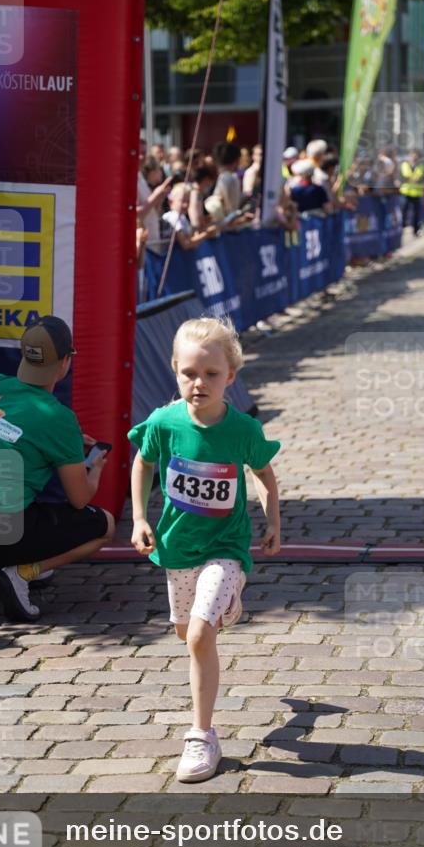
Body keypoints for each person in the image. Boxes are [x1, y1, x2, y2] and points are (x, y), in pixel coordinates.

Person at [129, 317, 281, 782]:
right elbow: (143, 463)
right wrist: (139, 517)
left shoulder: (242, 429)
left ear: (230, 376)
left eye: (211, 374)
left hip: (226, 546)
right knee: (186, 634)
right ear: (175, 370)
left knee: (198, 636)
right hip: (178, 547)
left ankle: (202, 736)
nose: (199, 383)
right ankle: (220, 608)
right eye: (189, 373)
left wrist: (273, 520)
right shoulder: (164, 422)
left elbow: (264, 474)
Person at [0, 316, 115, 620]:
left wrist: (69, 444)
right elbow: (80, 498)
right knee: (105, 525)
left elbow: (12, 434)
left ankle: (25, 561)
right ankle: (22, 573)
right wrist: (94, 467)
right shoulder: (58, 418)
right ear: (65, 362)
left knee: (28, 506)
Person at [163, 182, 217, 249]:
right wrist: (207, 233)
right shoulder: (173, 217)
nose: (185, 205)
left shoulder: (182, 217)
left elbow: (191, 238)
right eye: (182, 201)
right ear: (170, 202)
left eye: (188, 201)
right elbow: (186, 244)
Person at [399, 149, 424, 236]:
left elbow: (420, 178)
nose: (414, 158)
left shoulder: (421, 166)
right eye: (412, 156)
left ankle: (416, 230)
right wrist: (413, 179)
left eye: (415, 156)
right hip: (406, 192)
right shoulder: (404, 164)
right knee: (403, 211)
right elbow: (404, 177)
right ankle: (401, 229)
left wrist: (411, 179)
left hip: (416, 193)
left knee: (416, 213)